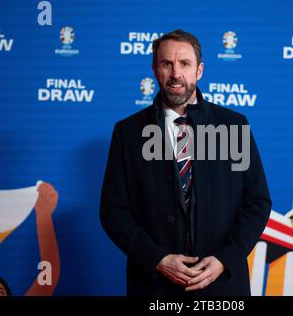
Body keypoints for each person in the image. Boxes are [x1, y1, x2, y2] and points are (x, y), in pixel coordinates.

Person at [100, 29, 272, 296]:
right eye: (167, 64)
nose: (176, 74)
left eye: (184, 64)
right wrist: (156, 259)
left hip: (222, 288)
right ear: (155, 69)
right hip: (154, 288)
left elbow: (257, 203)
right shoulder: (128, 133)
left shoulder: (233, 125)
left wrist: (224, 259)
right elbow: (114, 211)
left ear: (199, 70)